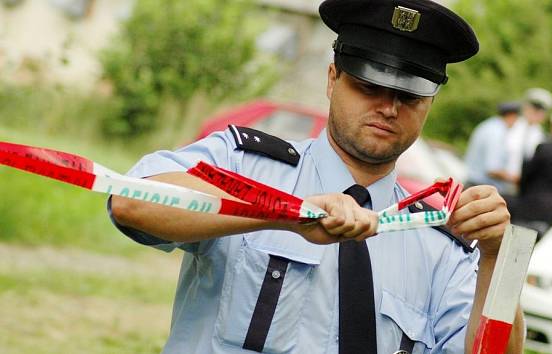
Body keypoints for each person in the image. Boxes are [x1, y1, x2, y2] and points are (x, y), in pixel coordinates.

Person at [108, 1, 522, 353]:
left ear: (429, 103)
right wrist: (285, 212)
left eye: (409, 96)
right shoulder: (245, 165)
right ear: (332, 80)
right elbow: (132, 203)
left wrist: (499, 259)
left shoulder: (439, 241)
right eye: (368, 86)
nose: (388, 108)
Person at [465, 101, 521, 194]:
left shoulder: (489, 126)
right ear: (512, 115)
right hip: (480, 189)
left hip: (474, 186)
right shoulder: (496, 132)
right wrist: (516, 179)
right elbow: (492, 169)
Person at [505, 88, 552, 183]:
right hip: (500, 180)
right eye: (534, 109)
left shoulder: (541, 136)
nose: (537, 114)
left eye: (541, 111)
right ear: (525, 107)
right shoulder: (509, 126)